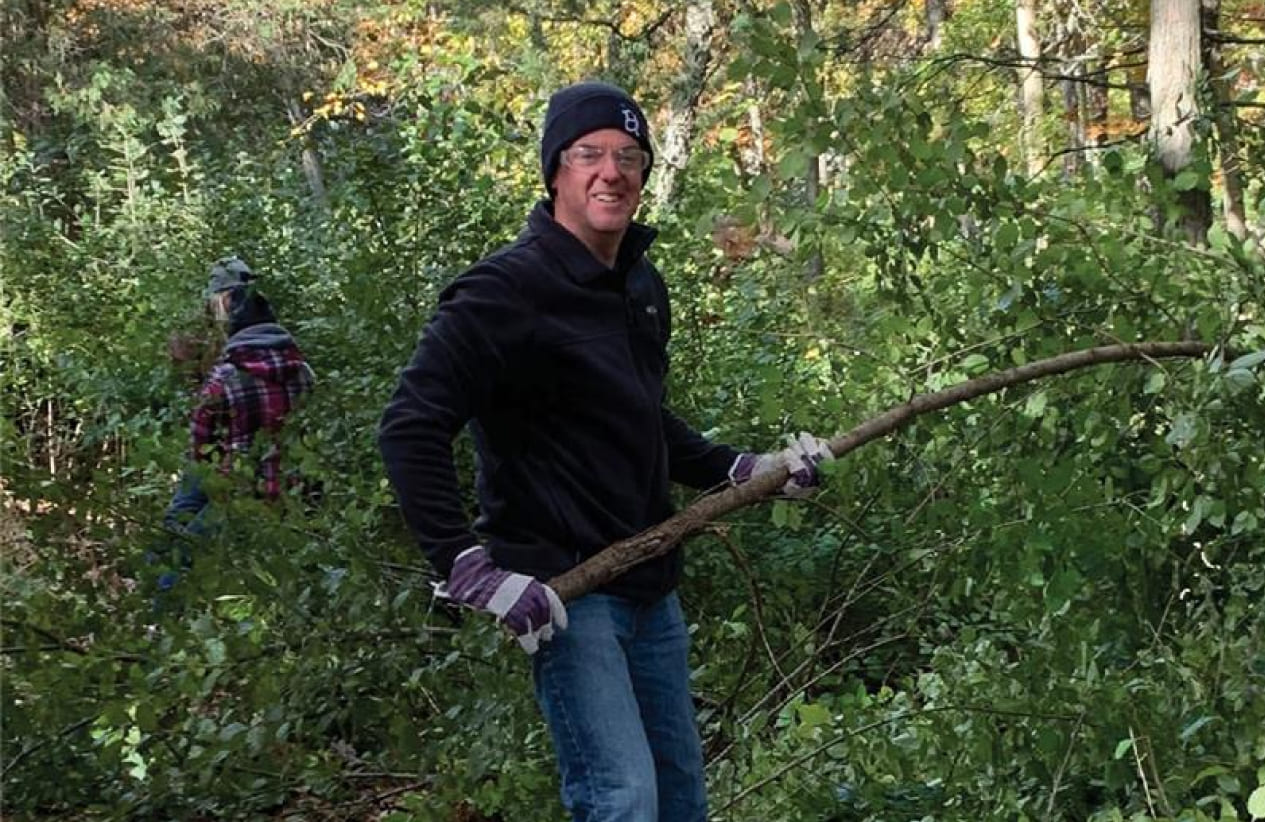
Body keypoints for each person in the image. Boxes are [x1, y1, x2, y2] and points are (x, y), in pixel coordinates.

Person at [378, 81, 832, 822]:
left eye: (629, 156)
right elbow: (409, 425)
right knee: (623, 798)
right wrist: (467, 567)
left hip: (651, 588)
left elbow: (642, 419)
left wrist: (746, 470)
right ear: (555, 170)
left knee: (682, 796)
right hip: (569, 594)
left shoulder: (641, 286)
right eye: (588, 153)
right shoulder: (505, 291)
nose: (610, 171)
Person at [158, 257, 314, 586]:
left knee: (178, 551)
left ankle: (158, 611)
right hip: (289, 490)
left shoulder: (223, 380)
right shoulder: (304, 372)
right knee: (184, 511)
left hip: (239, 498)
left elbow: (201, 453)